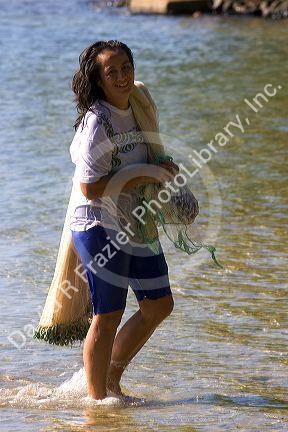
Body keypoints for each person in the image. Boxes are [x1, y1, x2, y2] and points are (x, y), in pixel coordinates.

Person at [70, 40, 179, 401]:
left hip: (135, 219)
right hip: (98, 223)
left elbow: (148, 154)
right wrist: (148, 173)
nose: (121, 77)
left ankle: (109, 379)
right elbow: (89, 188)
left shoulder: (139, 103)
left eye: (126, 68)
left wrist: (162, 169)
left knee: (158, 305)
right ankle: (98, 403)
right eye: (111, 71)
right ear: (99, 80)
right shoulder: (96, 124)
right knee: (109, 313)